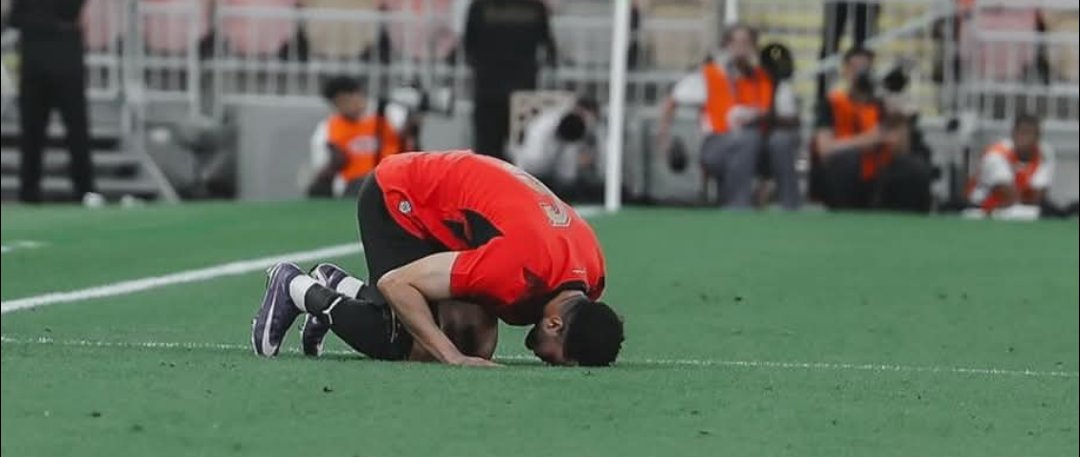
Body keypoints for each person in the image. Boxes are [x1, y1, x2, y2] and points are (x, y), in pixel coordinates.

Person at [253, 151, 624, 367]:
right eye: (558, 359)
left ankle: (339, 285)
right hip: (401, 197)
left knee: (471, 341)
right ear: (555, 324)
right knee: (410, 342)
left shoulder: (592, 274)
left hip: (451, 209)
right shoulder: (516, 269)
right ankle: (294, 286)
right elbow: (396, 284)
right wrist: (451, 357)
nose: (549, 361)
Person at [657, 24, 797, 209]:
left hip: (759, 142)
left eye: (746, 43)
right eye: (736, 42)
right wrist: (664, 139)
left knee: (781, 141)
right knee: (748, 139)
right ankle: (737, 204)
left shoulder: (766, 78)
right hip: (718, 144)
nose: (741, 48)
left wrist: (763, 117)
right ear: (727, 45)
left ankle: (790, 206)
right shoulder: (711, 75)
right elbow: (672, 101)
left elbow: (791, 118)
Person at [813, 47, 931, 212]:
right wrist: (867, 140)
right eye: (855, 68)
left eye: (866, 68)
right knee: (845, 162)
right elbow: (825, 149)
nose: (861, 74)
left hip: (880, 167)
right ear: (845, 71)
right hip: (847, 168)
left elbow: (901, 150)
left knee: (914, 168)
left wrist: (900, 120)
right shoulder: (833, 103)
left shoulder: (882, 103)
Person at [11, 0, 97, 204]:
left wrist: (39, 22)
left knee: (71, 130)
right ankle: (32, 191)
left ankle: (81, 189)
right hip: (46, 61)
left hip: (51, 61)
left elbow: (16, 18)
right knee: (36, 132)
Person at [464, 0, 556, 161]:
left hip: (488, 87)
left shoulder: (480, 6)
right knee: (523, 151)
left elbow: (468, 45)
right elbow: (548, 47)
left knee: (487, 152)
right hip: (523, 92)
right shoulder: (534, 7)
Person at [307, 76, 410, 198]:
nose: (346, 106)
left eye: (347, 100)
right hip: (353, 184)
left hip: (392, 179)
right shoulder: (328, 128)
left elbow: (410, 145)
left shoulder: (390, 114)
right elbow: (321, 164)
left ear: (359, 94)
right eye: (339, 103)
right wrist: (334, 163)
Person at [512, 96, 603, 200]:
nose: (588, 121)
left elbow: (567, 174)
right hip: (531, 173)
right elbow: (533, 165)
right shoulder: (543, 128)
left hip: (552, 176)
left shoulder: (573, 128)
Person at [967, 114, 1055, 213]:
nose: (1027, 139)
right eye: (1023, 133)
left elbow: (1038, 196)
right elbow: (1009, 196)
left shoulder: (1044, 153)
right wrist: (1027, 197)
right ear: (1013, 134)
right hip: (981, 209)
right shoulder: (996, 154)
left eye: (1032, 134)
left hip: (1018, 209)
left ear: (1038, 137)